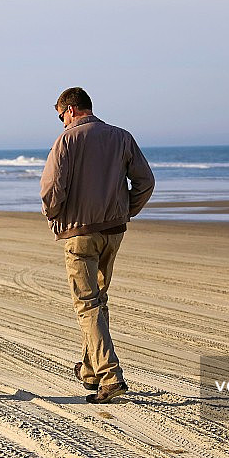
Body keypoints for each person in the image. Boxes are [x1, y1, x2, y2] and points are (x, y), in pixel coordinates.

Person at [40, 87, 154, 404]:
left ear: (72, 110)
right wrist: (126, 210)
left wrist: (53, 215)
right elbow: (146, 182)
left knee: (87, 303)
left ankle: (110, 375)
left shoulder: (66, 140)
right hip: (114, 230)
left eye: (61, 115)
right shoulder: (121, 137)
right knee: (98, 300)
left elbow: (51, 189)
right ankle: (90, 370)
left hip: (79, 234)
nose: (61, 122)